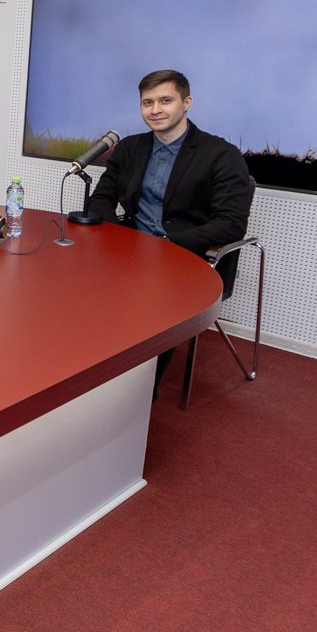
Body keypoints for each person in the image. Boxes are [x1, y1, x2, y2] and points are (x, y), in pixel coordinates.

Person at [84, 70, 254, 393]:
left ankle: (136, 393)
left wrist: (166, 244)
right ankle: (83, 373)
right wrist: (120, 239)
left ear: (186, 103)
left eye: (165, 100)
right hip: (130, 252)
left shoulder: (221, 155)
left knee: (146, 307)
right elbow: (100, 200)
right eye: (147, 102)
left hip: (186, 256)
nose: (155, 110)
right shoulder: (130, 149)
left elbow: (231, 223)